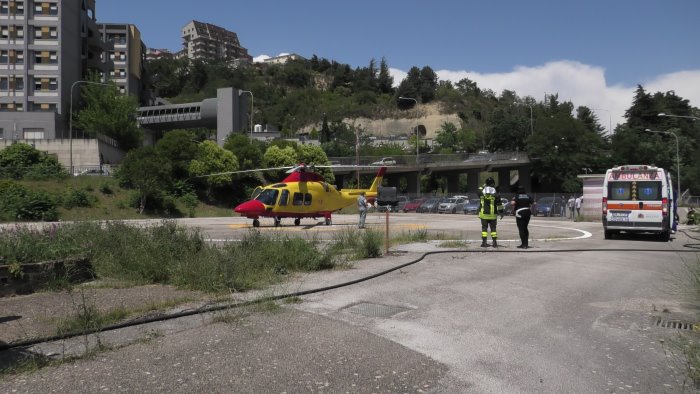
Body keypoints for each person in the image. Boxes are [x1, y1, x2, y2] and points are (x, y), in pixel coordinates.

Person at [478, 177, 504, 247]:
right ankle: (494, 242)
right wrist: (501, 213)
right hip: (493, 215)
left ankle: (484, 242)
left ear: (486, 183)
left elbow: (479, 189)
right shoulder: (496, 194)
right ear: (493, 184)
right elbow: (499, 204)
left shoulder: (481, 193)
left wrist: (483, 185)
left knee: (484, 229)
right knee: (493, 229)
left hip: (484, 215)